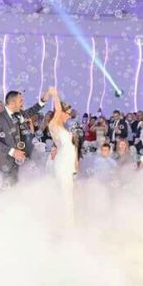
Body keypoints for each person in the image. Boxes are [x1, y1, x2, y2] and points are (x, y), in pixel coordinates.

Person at [0, 89, 50, 186]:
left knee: (14, 185)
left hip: (17, 158)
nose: (22, 103)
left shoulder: (19, 114)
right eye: (20, 101)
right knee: (6, 187)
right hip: (4, 160)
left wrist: (43, 100)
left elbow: (31, 111)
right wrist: (12, 151)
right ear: (12, 103)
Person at [48, 87, 77, 224]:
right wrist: (55, 95)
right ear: (61, 112)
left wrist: (75, 164)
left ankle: (69, 221)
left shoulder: (64, 127)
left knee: (69, 193)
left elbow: (72, 147)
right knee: (64, 193)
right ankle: (65, 222)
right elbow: (58, 110)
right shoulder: (53, 125)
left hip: (68, 163)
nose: (69, 116)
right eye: (68, 114)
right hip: (62, 163)